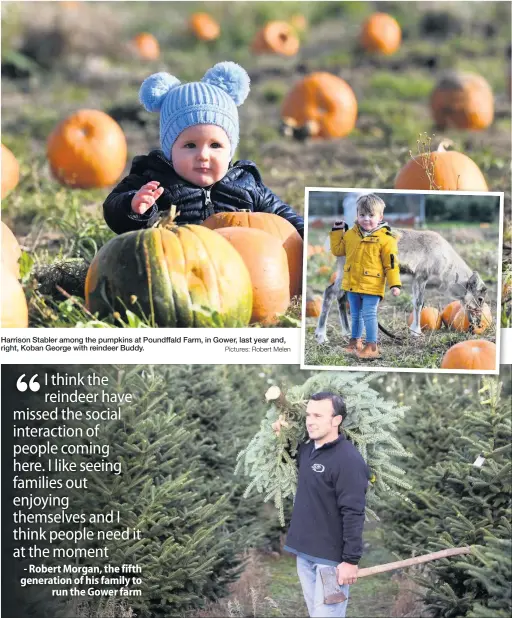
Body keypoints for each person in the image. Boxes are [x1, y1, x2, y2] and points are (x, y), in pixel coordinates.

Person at [103, 61, 304, 237]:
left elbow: (284, 216)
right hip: (176, 268)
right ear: (169, 149)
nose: (203, 155)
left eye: (215, 145)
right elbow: (113, 212)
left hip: (238, 272)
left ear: (230, 149)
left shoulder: (245, 184)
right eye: (190, 145)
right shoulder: (154, 180)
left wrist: (306, 234)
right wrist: (133, 206)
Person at [272, 392, 370, 618]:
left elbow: (354, 512)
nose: (310, 420)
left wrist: (350, 561)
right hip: (304, 554)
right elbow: (290, 459)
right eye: (308, 414)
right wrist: (281, 435)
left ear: (336, 420)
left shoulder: (349, 460)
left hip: (331, 562)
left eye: (318, 415)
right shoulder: (307, 450)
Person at [330, 193, 401, 360]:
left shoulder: (386, 239)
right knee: (355, 315)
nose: (366, 219)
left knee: (369, 314)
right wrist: (337, 232)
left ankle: (372, 346)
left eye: (371, 215)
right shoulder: (350, 234)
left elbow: (391, 264)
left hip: (372, 285)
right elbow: (338, 250)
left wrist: (394, 284)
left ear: (380, 216)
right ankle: (355, 341)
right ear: (357, 215)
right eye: (362, 215)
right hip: (352, 284)